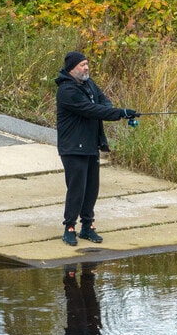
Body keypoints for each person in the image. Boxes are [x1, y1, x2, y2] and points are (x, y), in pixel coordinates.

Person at [55, 51, 139, 245]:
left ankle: (87, 226)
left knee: (92, 188)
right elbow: (90, 109)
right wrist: (119, 113)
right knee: (77, 188)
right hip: (73, 147)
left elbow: (103, 101)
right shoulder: (67, 91)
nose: (86, 68)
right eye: (82, 65)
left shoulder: (89, 84)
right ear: (71, 68)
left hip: (91, 144)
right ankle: (69, 227)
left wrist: (114, 111)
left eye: (87, 64)